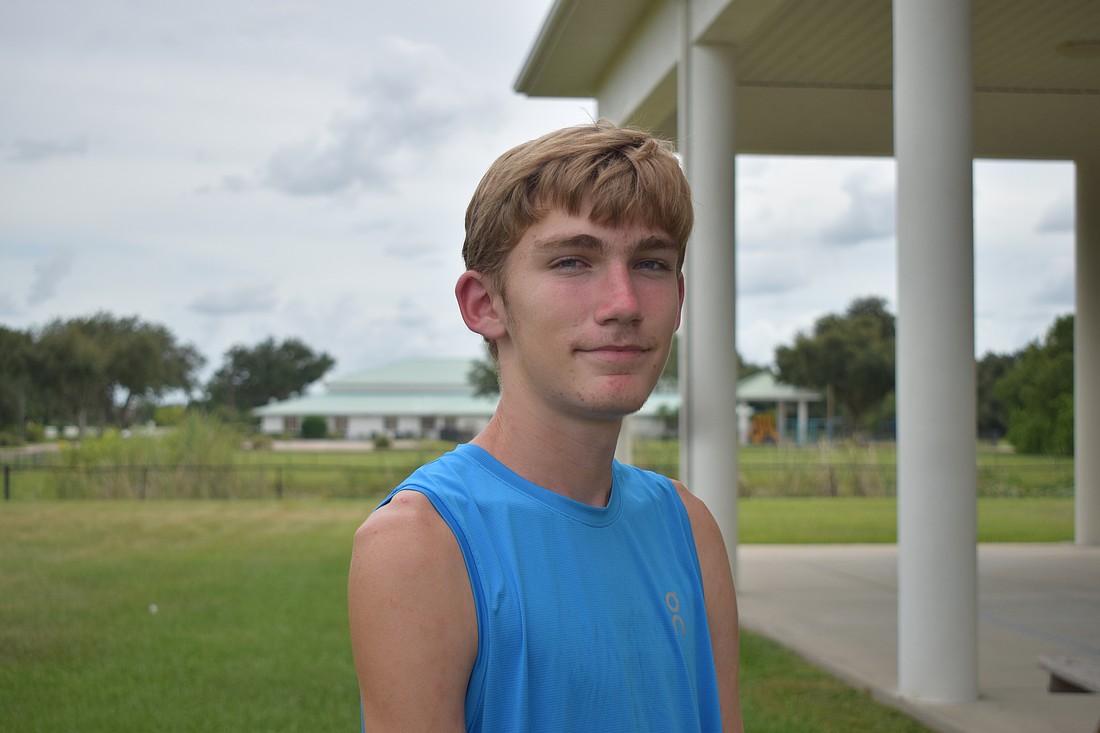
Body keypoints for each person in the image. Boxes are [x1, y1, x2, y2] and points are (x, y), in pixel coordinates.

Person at [348, 120, 743, 732]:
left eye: (652, 264)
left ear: (680, 297)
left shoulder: (688, 528)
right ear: (486, 305)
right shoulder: (421, 544)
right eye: (571, 261)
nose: (624, 303)